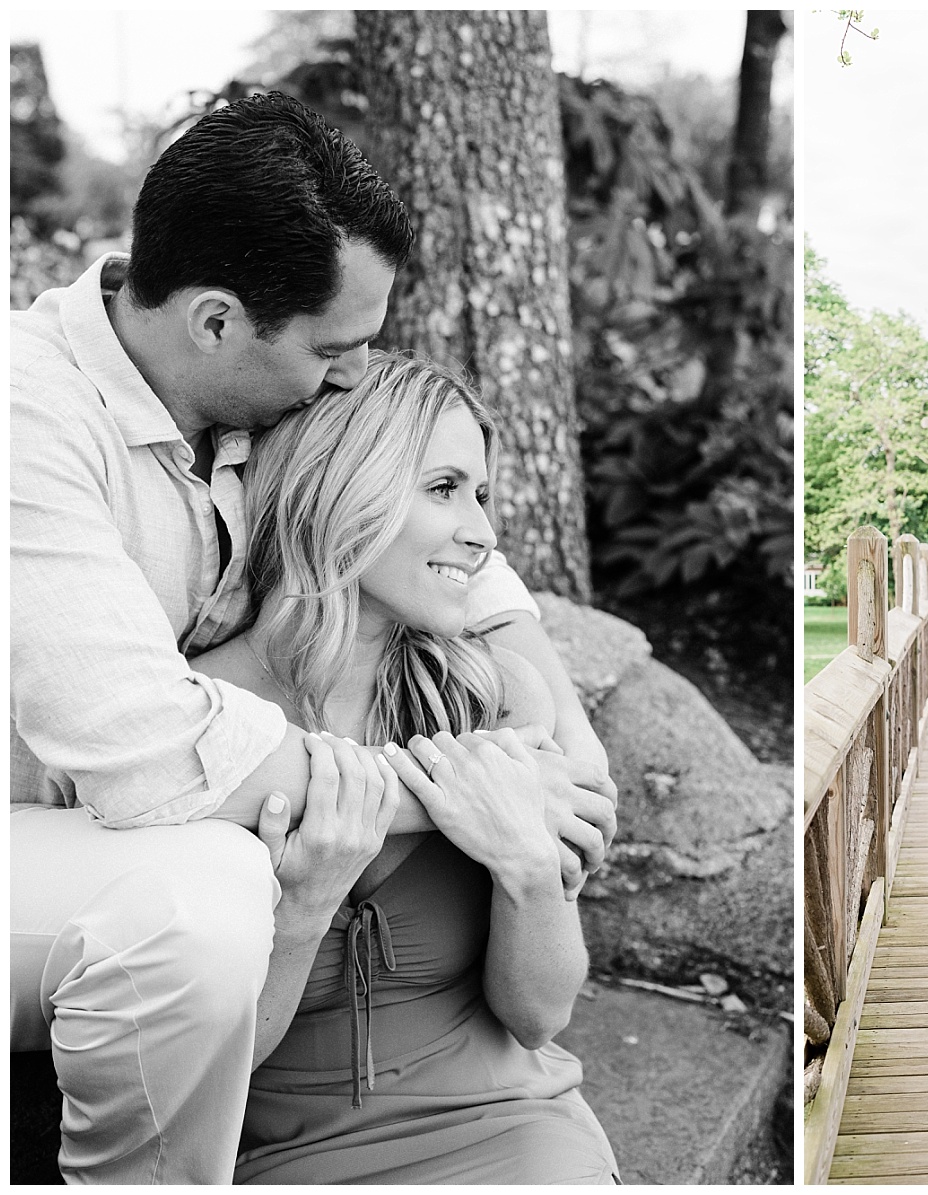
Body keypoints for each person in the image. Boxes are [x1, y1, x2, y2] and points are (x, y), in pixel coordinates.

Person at [10, 92, 612, 1183]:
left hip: (503, 1121)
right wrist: (472, 788)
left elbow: (412, 509)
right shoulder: (28, 419)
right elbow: (151, 753)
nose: (353, 374)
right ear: (215, 321)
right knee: (200, 902)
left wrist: (556, 732)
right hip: (47, 841)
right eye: (337, 348)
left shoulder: (248, 387)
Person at [187, 353, 617, 1183]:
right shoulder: (200, 720)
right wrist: (305, 909)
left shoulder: (495, 697)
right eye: (445, 488)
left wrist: (527, 867)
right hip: (278, 1152)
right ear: (344, 487)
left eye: (481, 495)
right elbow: (205, 1070)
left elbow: (539, 1016)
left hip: (511, 1126)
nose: (484, 533)